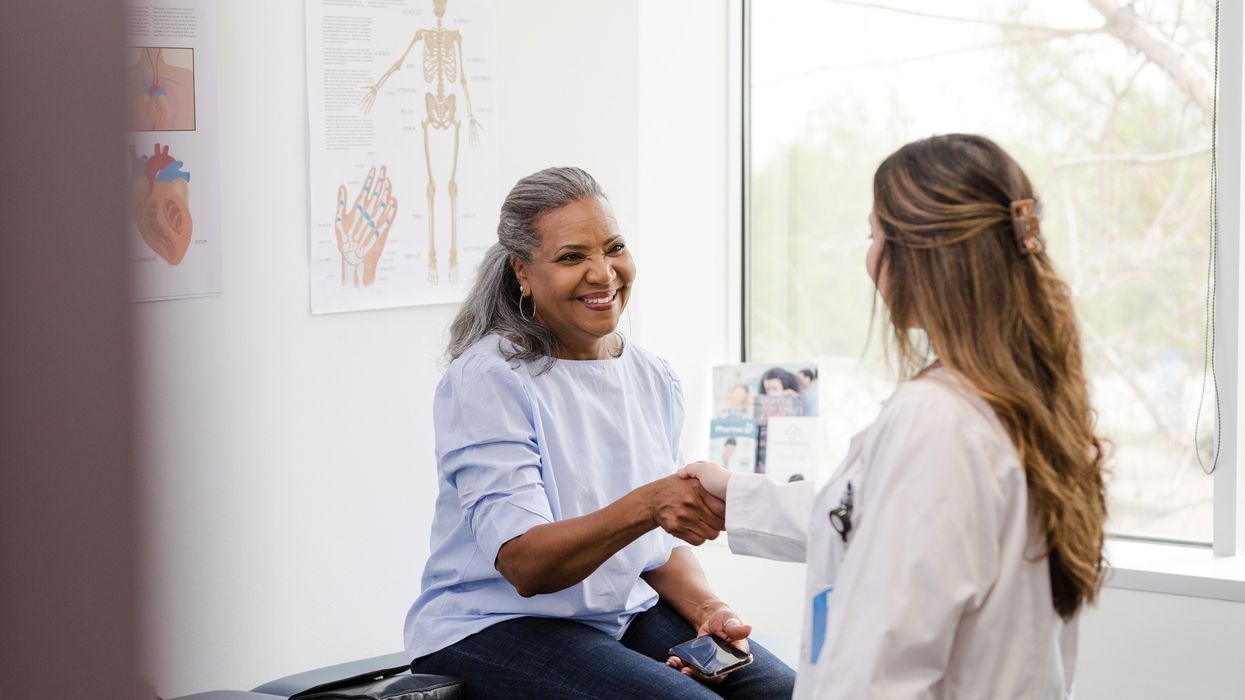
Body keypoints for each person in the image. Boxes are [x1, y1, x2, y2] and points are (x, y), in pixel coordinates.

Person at [678, 134, 1107, 699]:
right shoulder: (1018, 395)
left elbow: (882, 670)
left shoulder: (936, 422)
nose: (870, 256)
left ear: (923, 256)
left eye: (875, 234)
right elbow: (866, 515)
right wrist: (733, 493)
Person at [406, 166, 795, 699]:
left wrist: (709, 609)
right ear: (523, 271)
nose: (603, 273)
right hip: (492, 623)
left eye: (613, 248)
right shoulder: (489, 380)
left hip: (618, 611)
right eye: (572, 257)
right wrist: (649, 503)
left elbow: (655, 548)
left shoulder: (652, 375)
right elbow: (525, 565)